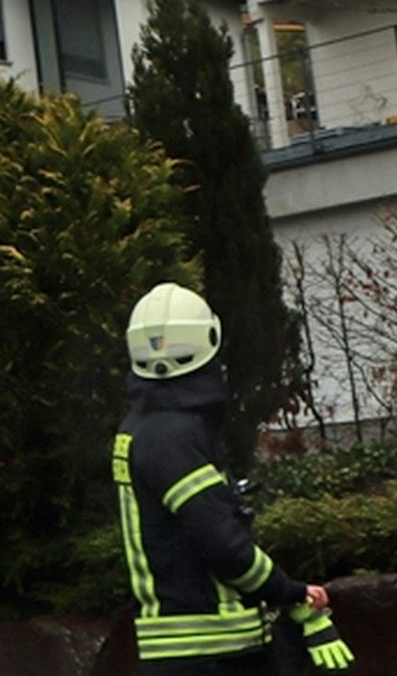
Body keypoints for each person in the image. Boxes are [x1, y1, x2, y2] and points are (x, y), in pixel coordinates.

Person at [113, 283, 354, 673]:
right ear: (209, 339)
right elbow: (222, 544)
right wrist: (288, 592)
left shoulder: (141, 428)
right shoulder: (175, 436)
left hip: (180, 653)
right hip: (217, 654)